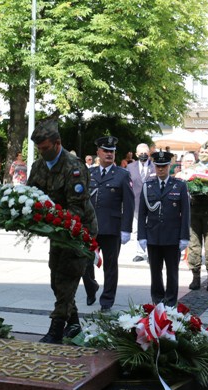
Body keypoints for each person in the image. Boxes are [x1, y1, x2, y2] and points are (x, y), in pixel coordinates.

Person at [26, 118, 97, 344]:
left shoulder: (74, 167)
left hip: (79, 230)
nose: (41, 152)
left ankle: (56, 329)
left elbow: (75, 209)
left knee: (66, 278)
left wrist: (50, 221)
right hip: (57, 230)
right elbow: (30, 195)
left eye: (45, 148)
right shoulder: (38, 166)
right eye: (39, 149)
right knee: (56, 279)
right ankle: (74, 322)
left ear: (57, 144)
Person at [82, 136, 134, 311]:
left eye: (112, 151)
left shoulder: (122, 175)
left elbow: (129, 204)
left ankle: (107, 300)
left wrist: (126, 229)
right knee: (85, 263)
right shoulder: (89, 173)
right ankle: (91, 288)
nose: (109, 154)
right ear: (98, 152)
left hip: (112, 228)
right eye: (105, 151)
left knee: (110, 267)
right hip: (90, 228)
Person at [138, 151, 190, 306]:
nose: (161, 169)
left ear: (169, 166)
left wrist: (184, 236)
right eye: (158, 166)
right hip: (153, 235)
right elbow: (142, 213)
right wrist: (142, 235)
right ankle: (157, 299)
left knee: (172, 272)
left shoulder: (179, 185)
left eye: (164, 166)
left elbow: (186, 213)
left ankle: (171, 301)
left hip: (172, 236)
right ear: (154, 166)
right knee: (155, 271)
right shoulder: (148, 186)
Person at [178, 142, 208, 291]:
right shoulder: (191, 170)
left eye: (207, 152)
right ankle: (195, 277)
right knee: (194, 246)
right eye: (201, 151)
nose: (204, 154)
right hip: (193, 211)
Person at [126, 143, 155, 262]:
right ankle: (140, 252)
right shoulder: (130, 167)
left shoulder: (155, 167)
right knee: (138, 228)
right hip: (136, 202)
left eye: (146, 152)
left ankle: (152, 253)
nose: (143, 155)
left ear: (149, 153)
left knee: (152, 228)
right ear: (137, 154)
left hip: (152, 203)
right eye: (141, 153)